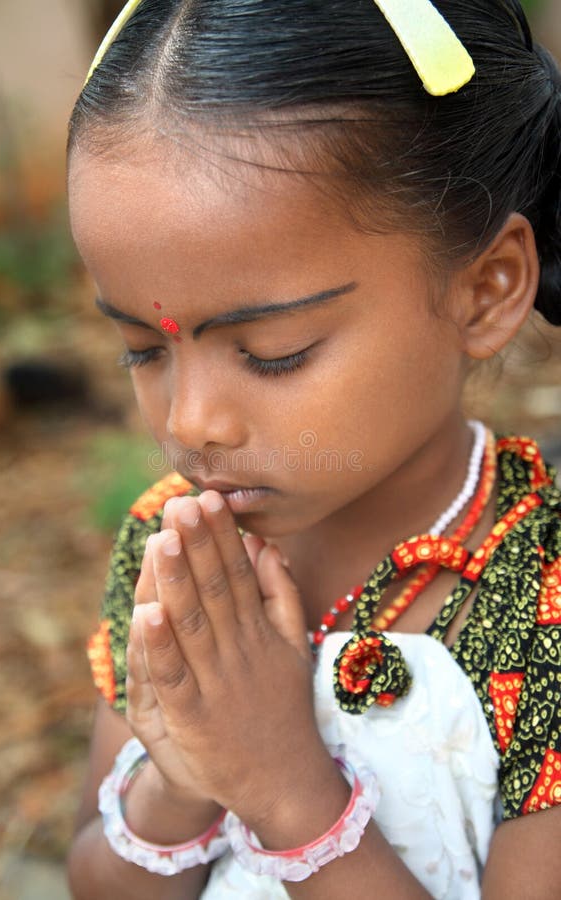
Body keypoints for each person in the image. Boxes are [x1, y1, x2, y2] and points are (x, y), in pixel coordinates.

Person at [65, 1, 561, 897]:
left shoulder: (541, 596)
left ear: (487, 289)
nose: (191, 423)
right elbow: (97, 879)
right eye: (143, 347)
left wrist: (285, 791)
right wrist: (176, 791)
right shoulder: (175, 548)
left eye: (272, 352)